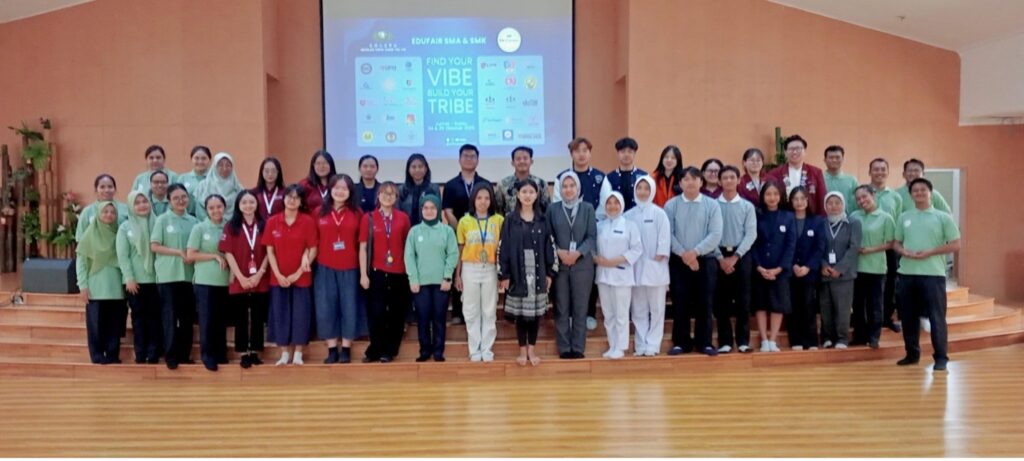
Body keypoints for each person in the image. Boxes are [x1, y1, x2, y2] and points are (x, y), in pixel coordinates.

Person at [894, 178, 960, 371]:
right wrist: (903, 251)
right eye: (915, 190)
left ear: (931, 193)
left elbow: (956, 244)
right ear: (911, 194)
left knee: (936, 317)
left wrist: (931, 252)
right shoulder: (904, 217)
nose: (919, 193)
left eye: (923, 190)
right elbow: (896, 242)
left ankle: (941, 357)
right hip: (907, 274)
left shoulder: (943, 217)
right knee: (908, 317)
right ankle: (912, 354)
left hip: (933, 275)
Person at [664, 167, 723, 356]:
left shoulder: (712, 205)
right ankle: (681, 342)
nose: (690, 182)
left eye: (694, 178)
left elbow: (715, 234)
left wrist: (695, 253)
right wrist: (684, 255)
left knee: (705, 302)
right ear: (680, 183)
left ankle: (704, 342)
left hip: (705, 261)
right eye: (686, 179)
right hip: (679, 261)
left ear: (701, 182)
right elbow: (667, 234)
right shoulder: (671, 205)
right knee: (680, 302)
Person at [498, 179, 556, 366]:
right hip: (518, 271)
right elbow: (503, 247)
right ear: (518, 195)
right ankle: (522, 350)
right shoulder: (510, 220)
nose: (528, 195)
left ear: (537, 195)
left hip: (538, 270)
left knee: (535, 315)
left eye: (531, 192)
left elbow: (549, 246)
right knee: (521, 315)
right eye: (524, 192)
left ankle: (532, 349)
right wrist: (504, 274)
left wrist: (549, 272)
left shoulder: (543, 219)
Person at [553, 137, 605, 330]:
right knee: (565, 279)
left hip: (591, 230)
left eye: (585, 150)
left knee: (588, 274)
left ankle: (589, 313)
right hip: (565, 234)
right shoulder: (561, 177)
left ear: (590, 153)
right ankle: (567, 315)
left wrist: (587, 222)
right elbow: (557, 204)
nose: (581, 154)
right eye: (577, 151)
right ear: (571, 154)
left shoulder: (600, 177)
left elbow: (604, 205)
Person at [262, 184, 317, 366]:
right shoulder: (273, 221)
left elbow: (313, 249)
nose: (292, 200)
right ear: (283, 199)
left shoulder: (308, 221)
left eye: (296, 197)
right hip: (278, 278)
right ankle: (284, 353)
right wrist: (277, 274)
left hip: (302, 277)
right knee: (280, 314)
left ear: (301, 201)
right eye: (289, 196)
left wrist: (298, 273)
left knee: (301, 314)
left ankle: (298, 354)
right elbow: (270, 251)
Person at [358, 182, 412, 363]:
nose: (388, 197)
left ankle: (390, 350)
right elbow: (363, 248)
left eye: (392, 194)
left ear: (396, 198)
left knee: (396, 314)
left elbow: (408, 245)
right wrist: (363, 275)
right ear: (378, 196)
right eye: (384, 193)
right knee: (376, 313)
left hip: (399, 272)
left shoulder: (403, 218)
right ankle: (375, 349)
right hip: (377, 272)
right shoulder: (368, 218)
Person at [546, 171, 597, 359]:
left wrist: (578, 253)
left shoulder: (587, 208)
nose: (568, 190)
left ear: (578, 188)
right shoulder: (552, 209)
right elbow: (548, 236)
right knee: (561, 307)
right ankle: (564, 348)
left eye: (572, 186)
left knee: (580, 308)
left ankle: (578, 347)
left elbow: (592, 237)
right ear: (560, 189)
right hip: (559, 265)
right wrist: (559, 252)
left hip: (582, 265)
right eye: (565, 186)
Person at [314, 174, 363, 364]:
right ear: (330, 189)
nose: (340, 191)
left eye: (344, 188)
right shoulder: (319, 212)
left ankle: (346, 349)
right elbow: (313, 241)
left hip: (350, 267)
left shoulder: (357, 213)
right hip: (325, 266)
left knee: (349, 307)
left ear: (350, 192)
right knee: (326, 308)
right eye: (336, 187)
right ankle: (332, 349)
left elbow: (362, 243)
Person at [149, 184, 198, 369]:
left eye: (184, 197)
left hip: (188, 276)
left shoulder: (193, 221)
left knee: (186, 318)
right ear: (169, 200)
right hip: (168, 276)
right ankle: (170, 355)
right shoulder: (162, 220)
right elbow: (154, 246)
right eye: (176, 198)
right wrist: (178, 252)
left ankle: (184, 354)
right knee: (169, 317)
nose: (180, 200)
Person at [219, 190, 270, 368]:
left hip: (260, 278)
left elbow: (270, 251)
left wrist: (259, 273)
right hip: (239, 279)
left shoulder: (264, 224)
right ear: (238, 206)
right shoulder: (231, 226)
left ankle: (255, 351)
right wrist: (240, 277)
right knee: (240, 317)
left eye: (251, 202)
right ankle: (243, 353)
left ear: (257, 204)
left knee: (257, 317)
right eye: (244, 202)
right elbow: (228, 252)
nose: (248, 206)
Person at [405, 194, 458, 362]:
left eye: (433, 208)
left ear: (439, 210)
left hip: (441, 283)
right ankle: (424, 350)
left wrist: (447, 277)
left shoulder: (447, 231)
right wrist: (413, 279)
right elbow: (409, 257)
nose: (429, 211)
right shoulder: (414, 232)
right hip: (420, 284)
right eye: (426, 208)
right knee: (422, 318)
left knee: (439, 318)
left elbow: (452, 254)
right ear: (421, 210)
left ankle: (438, 351)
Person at [442, 144, 490, 325]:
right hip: (458, 235)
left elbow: (490, 210)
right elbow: (448, 211)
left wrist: (475, 231)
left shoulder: (484, 184)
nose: (469, 159)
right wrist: (463, 231)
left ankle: (479, 311)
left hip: (481, 237)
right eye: (465, 156)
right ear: (459, 159)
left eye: (472, 156)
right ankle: (457, 312)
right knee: (459, 270)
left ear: (478, 159)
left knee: (479, 271)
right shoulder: (450, 185)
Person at [455, 183, 503, 362]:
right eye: (479, 198)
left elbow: (502, 249)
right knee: (470, 310)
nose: (483, 201)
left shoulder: (499, 220)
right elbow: (460, 249)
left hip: (490, 268)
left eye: (487, 198)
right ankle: (474, 349)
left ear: (491, 200)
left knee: (489, 310)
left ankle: (487, 348)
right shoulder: (464, 221)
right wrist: (457, 275)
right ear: (473, 200)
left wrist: (502, 273)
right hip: (470, 268)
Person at [624, 176, 671, 356]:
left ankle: (653, 345)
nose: (642, 192)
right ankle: (641, 344)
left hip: (656, 268)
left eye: (646, 188)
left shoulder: (659, 214)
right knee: (638, 309)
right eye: (639, 188)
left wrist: (658, 256)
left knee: (657, 309)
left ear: (651, 191)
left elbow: (664, 241)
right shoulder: (628, 215)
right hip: (635, 269)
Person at [714, 166, 757, 353]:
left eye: (732, 177)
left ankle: (743, 341)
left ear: (739, 180)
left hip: (742, 255)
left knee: (743, 300)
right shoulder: (713, 205)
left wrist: (736, 256)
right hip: (718, 255)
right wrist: (720, 257)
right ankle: (725, 341)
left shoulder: (747, 206)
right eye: (725, 177)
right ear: (719, 181)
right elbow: (709, 233)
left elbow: (751, 234)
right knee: (721, 301)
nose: (729, 180)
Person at [594, 192, 643, 360]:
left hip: (622, 275)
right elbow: (593, 248)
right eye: (609, 203)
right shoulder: (599, 226)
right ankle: (612, 344)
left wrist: (615, 261)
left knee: (621, 313)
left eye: (616, 203)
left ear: (621, 205)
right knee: (608, 313)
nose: (612, 206)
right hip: (603, 275)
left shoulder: (630, 225)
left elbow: (637, 249)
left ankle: (621, 347)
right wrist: (598, 259)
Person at [116, 191, 161, 364]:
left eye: (145, 201)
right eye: (137, 203)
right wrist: (129, 277)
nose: (142, 205)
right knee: (138, 318)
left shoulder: (158, 223)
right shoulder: (125, 227)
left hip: (156, 280)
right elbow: (123, 256)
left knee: (154, 318)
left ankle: (154, 353)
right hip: (134, 282)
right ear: (131, 206)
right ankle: (140, 353)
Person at [77, 202, 125, 364]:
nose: (109, 215)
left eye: (112, 212)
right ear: (98, 214)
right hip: (95, 286)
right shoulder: (89, 235)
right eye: (105, 212)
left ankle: (112, 354)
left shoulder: (119, 233)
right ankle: (97, 355)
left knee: (115, 323)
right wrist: (82, 285)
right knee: (95, 324)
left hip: (116, 286)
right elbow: (81, 262)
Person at [752, 181, 796, 352]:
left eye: (776, 194)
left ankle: (773, 340)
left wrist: (780, 268)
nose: (772, 197)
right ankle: (764, 339)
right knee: (761, 305)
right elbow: (753, 242)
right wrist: (758, 266)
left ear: (781, 196)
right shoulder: (756, 215)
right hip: (760, 269)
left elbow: (790, 245)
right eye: (768, 194)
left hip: (780, 270)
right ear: (763, 196)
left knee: (778, 304)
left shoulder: (788, 216)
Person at [187, 194, 230, 371]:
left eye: (219, 206)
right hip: (204, 282)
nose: (215, 210)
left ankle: (221, 353)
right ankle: (207, 355)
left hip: (224, 281)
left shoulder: (229, 227)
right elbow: (190, 255)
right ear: (206, 210)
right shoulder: (199, 228)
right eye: (211, 208)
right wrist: (214, 256)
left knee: (221, 320)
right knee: (207, 320)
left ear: (224, 208)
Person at [849, 185, 895, 348]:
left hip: (876, 268)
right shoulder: (854, 216)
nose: (862, 201)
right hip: (856, 268)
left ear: (873, 195)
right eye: (858, 199)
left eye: (864, 197)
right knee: (857, 305)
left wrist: (870, 249)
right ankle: (859, 336)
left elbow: (891, 243)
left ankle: (874, 336)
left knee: (875, 304)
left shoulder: (886, 218)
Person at [819, 191, 861, 349]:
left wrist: (840, 268)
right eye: (830, 203)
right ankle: (827, 337)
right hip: (825, 272)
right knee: (825, 307)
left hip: (844, 274)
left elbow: (854, 248)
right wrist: (823, 265)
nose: (834, 206)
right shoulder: (821, 223)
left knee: (842, 308)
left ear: (843, 205)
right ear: (825, 206)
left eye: (837, 203)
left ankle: (842, 338)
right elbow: (817, 247)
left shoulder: (853, 223)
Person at [787, 186, 826, 350]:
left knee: (809, 305)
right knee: (793, 305)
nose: (799, 202)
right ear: (791, 201)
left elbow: (820, 246)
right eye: (795, 199)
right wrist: (792, 265)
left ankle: (811, 341)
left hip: (809, 272)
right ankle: (795, 340)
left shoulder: (817, 221)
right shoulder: (787, 219)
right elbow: (784, 245)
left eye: (802, 198)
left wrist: (808, 266)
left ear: (807, 200)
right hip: (790, 270)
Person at [867, 158, 904, 334]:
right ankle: (868, 319)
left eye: (883, 169)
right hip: (867, 247)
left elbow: (899, 221)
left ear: (888, 172)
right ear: (870, 172)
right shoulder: (863, 192)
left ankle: (887, 318)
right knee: (868, 285)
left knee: (890, 282)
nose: (879, 172)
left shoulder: (895, 197)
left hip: (889, 247)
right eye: (876, 169)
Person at [766, 135, 827, 215]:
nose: (794, 152)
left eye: (798, 148)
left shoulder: (816, 172)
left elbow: (822, 199)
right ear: (785, 152)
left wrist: (822, 219)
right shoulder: (775, 173)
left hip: (810, 217)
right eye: (791, 149)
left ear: (804, 151)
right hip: (783, 217)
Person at [495, 146, 549, 216]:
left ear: (531, 161)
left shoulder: (541, 183)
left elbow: (547, 209)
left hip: (536, 222)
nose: (522, 161)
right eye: (518, 159)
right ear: (512, 163)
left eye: (525, 158)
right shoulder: (502, 184)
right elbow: (498, 211)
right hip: (509, 222)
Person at [78, 174, 131, 242]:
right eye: (102, 187)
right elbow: (80, 238)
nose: (106, 190)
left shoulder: (125, 209)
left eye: (110, 187)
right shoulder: (88, 211)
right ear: (96, 190)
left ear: (115, 189)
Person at [599, 137, 647, 212]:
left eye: (630, 152)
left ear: (634, 153)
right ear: (618, 153)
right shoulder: (609, 178)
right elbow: (605, 200)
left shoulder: (643, 176)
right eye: (623, 151)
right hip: (616, 215)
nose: (626, 155)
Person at [398, 153, 441, 227]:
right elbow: (398, 213)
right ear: (408, 169)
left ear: (426, 169)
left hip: (428, 228)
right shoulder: (401, 189)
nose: (417, 170)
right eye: (413, 167)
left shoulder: (433, 188)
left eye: (420, 166)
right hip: (406, 228)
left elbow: (438, 213)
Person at [822, 145, 859, 214]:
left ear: (843, 159)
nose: (834, 160)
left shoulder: (852, 180)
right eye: (831, 157)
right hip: (823, 219)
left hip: (847, 218)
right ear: (825, 160)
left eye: (837, 157)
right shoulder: (819, 179)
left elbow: (858, 202)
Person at [177, 145, 212, 215]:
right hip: (187, 216)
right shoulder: (183, 178)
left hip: (209, 217)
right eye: (196, 158)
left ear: (209, 160)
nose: (200, 161)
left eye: (204, 158)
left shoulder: (214, 179)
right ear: (191, 159)